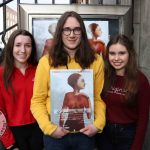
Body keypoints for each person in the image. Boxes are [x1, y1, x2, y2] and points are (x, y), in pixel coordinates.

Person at [31, 11, 106, 150]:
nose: (72, 35)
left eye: (76, 29)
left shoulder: (96, 61)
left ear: (82, 32)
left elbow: (97, 98)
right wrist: (50, 129)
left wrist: (98, 125)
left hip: (86, 134)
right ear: (60, 32)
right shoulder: (46, 62)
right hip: (55, 136)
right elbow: (37, 101)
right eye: (67, 29)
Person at [96, 34, 150, 150]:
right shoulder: (102, 76)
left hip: (128, 135)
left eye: (122, 53)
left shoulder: (141, 80)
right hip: (104, 133)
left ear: (130, 54)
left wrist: (137, 146)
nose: (116, 58)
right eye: (112, 53)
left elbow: (143, 117)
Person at [0, 29, 43, 150]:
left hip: (38, 130)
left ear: (32, 48)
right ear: (11, 47)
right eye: (18, 45)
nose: (23, 50)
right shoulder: (1, 74)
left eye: (27, 45)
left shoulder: (39, 71)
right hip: (12, 132)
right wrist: (10, 144)